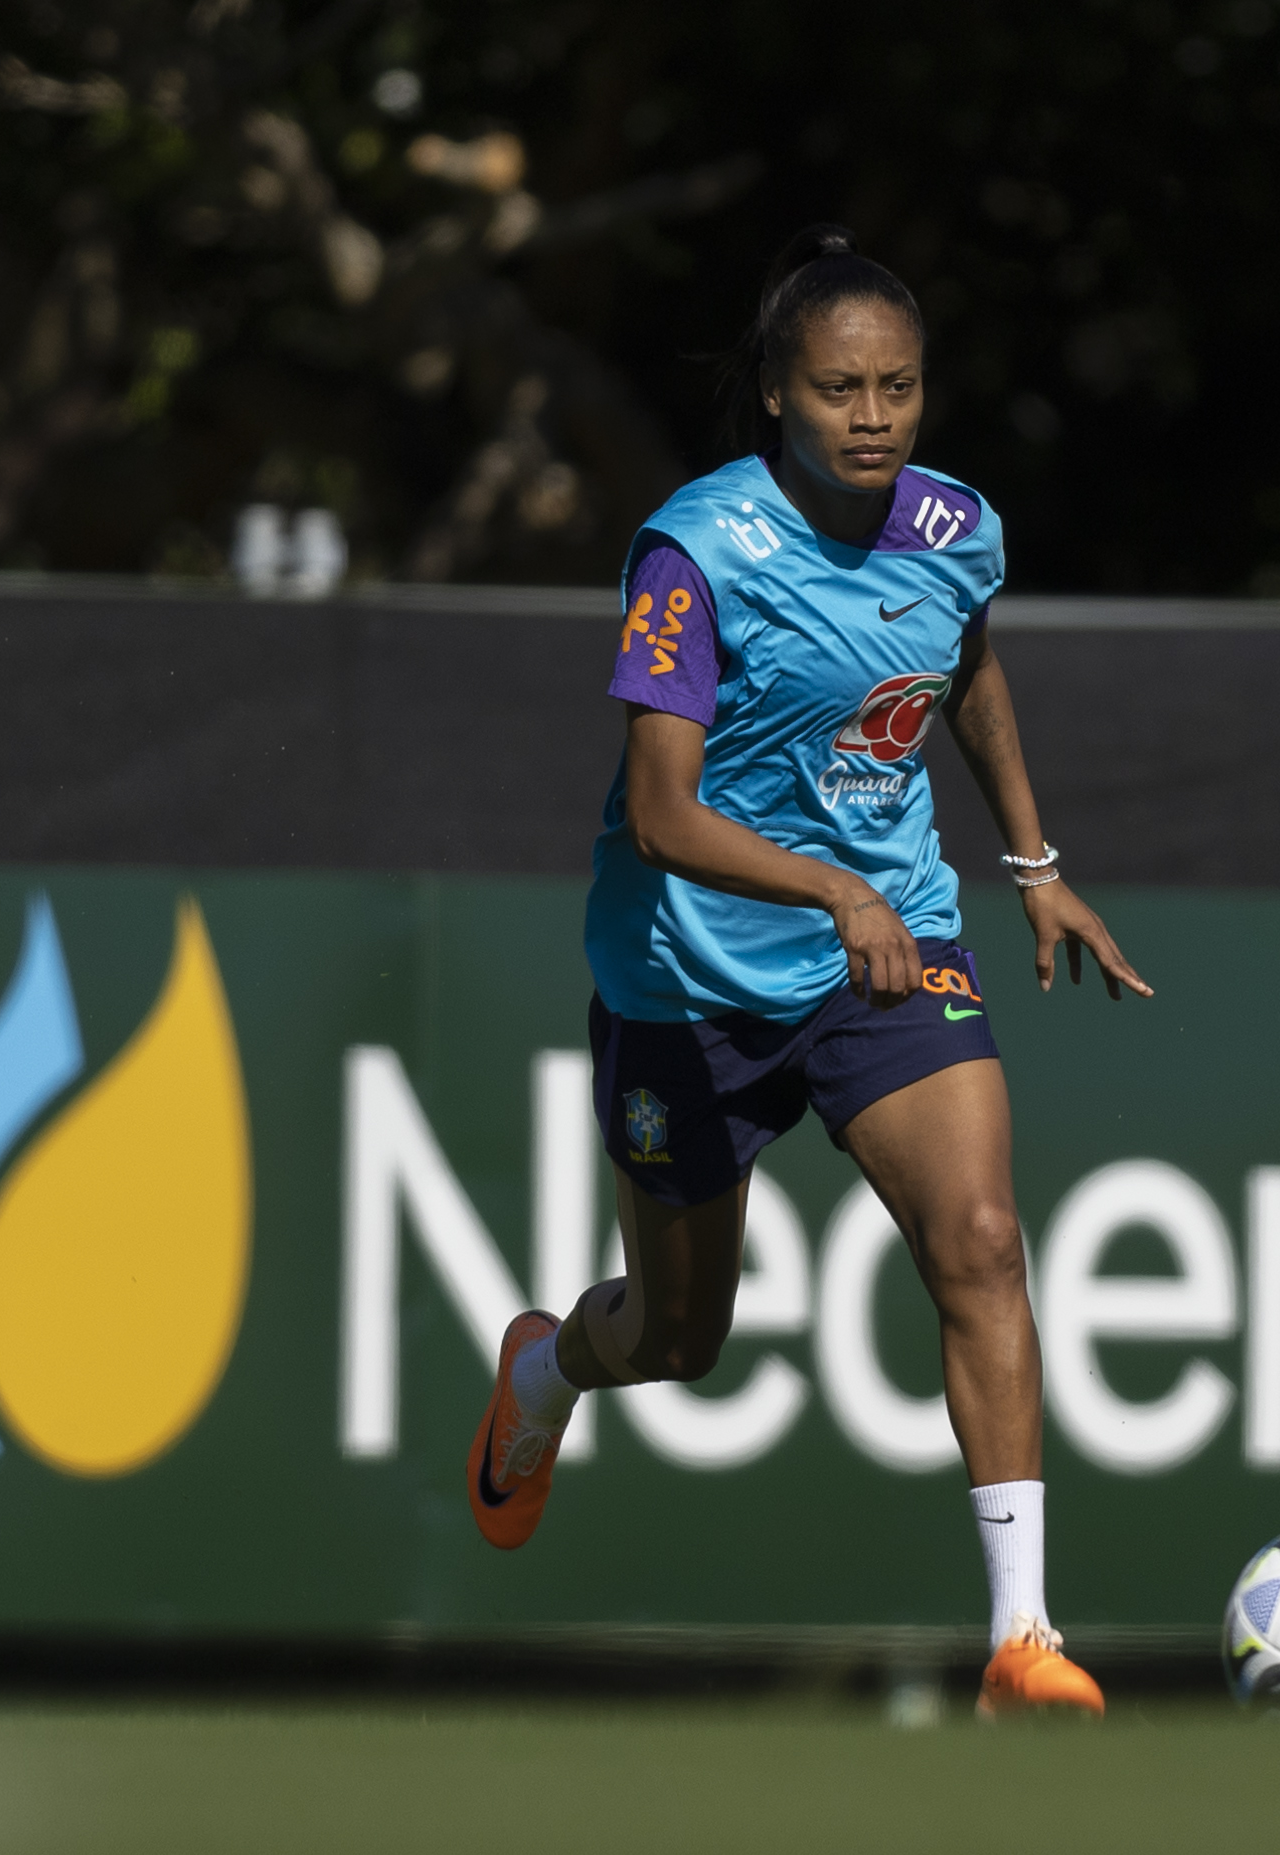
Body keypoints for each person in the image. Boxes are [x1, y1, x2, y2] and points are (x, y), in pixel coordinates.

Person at [464, 224, 1150, 1718]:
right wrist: (829, 887)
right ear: (776, 389)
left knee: (980, 1237)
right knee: (679, 1335)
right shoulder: (694, 553)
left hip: (890, 952)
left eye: (898, 387)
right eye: (839, 387)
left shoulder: (955, 525)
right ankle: (544, 1373)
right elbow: (661, 811)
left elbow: (965, 664)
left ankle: (1021, 1640)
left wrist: (1032, 866)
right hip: (690, 981)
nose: (872, 416)